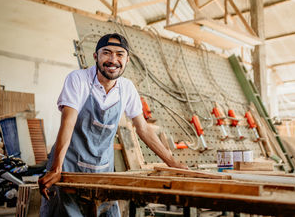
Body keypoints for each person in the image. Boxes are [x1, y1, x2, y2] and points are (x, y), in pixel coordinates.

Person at [39, 33, 185, 216]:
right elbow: (68, 122)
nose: (113, 60)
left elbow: (143, 128)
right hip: (68, 167)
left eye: (119, 54)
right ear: (96, 56)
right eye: (106, 53)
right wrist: (56, 168)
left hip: (102, 170)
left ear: (127, 59)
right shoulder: (78, 79)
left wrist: (172, 163)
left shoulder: (127, 88)